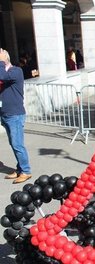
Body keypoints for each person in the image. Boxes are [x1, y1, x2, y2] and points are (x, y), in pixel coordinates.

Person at [0, 48, 32, 184]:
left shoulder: (16, 71)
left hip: (15, 114)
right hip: (5, 114)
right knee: (14, 144)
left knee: (18, 144)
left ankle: (26, 171)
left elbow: (3, 76)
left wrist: (1, 61)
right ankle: (20, 169)